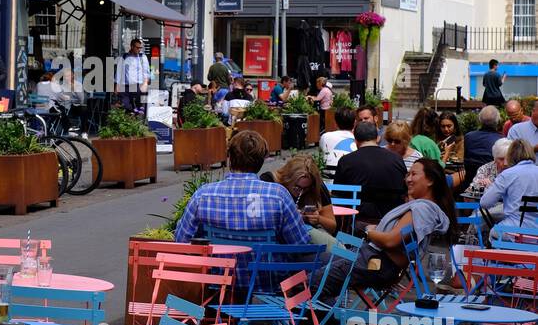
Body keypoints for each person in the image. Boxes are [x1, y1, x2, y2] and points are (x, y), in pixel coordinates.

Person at [174, 128, 311, 292]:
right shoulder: (278, 195)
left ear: (229, 157)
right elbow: (301, 244)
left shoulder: (203, 195)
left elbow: (181, 242)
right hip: (270, 287)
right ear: (262, 160)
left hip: (217, 286)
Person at [318, 158, 456, 303]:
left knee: (310, 283)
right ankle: (328, 317)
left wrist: (369, 231)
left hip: (374, 263)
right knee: (316, 260)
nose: (408, 179)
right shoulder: (422, 207)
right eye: (407, 174)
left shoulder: (422, 209)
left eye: (413, 174)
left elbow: (390, 241)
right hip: (370, 258)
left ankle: (326, 321)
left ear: (430, 180)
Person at [333, 119, 407, 228]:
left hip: (356, 224)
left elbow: (338, 195)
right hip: (391, 222)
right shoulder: (397, 160)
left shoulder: (346, 161)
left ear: (356, 140)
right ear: (377, 138)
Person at [271, 153, 337, 250]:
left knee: (344, 249)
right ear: (287, 179)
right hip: (287, 238)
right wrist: (290, 216)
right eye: (297, 187)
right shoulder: (271, 182)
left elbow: (332, 226)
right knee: (340, 251)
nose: (301, 192)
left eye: (306, 188)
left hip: (306, 239)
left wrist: (318, 219)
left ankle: (355, 256)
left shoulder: (317, 188)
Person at [480, 138, 538, 226]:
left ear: (510, 155)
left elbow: (485, 203)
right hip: (536, 230)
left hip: (513, 228)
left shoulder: (508, 174)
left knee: (493, 232)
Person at [463, 105, 505, 184]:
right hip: (492, 182)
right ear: (498, 120)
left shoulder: (468, 136)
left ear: (480, 120)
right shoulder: (501, 140)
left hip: (470, 181)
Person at [116, 37, 150, 113]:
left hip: (137, 86)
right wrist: (117, 86)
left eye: (140, 48)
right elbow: (119, 72)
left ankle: (133, 118)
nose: (139, 49)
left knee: (138, 108)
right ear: (132, 47)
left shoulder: (142, 57)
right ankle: (130, 117)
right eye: (137, 47)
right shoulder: (124, 57)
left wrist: (145, 83)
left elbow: (146, 72)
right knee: (125, 105)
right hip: (125, 86)